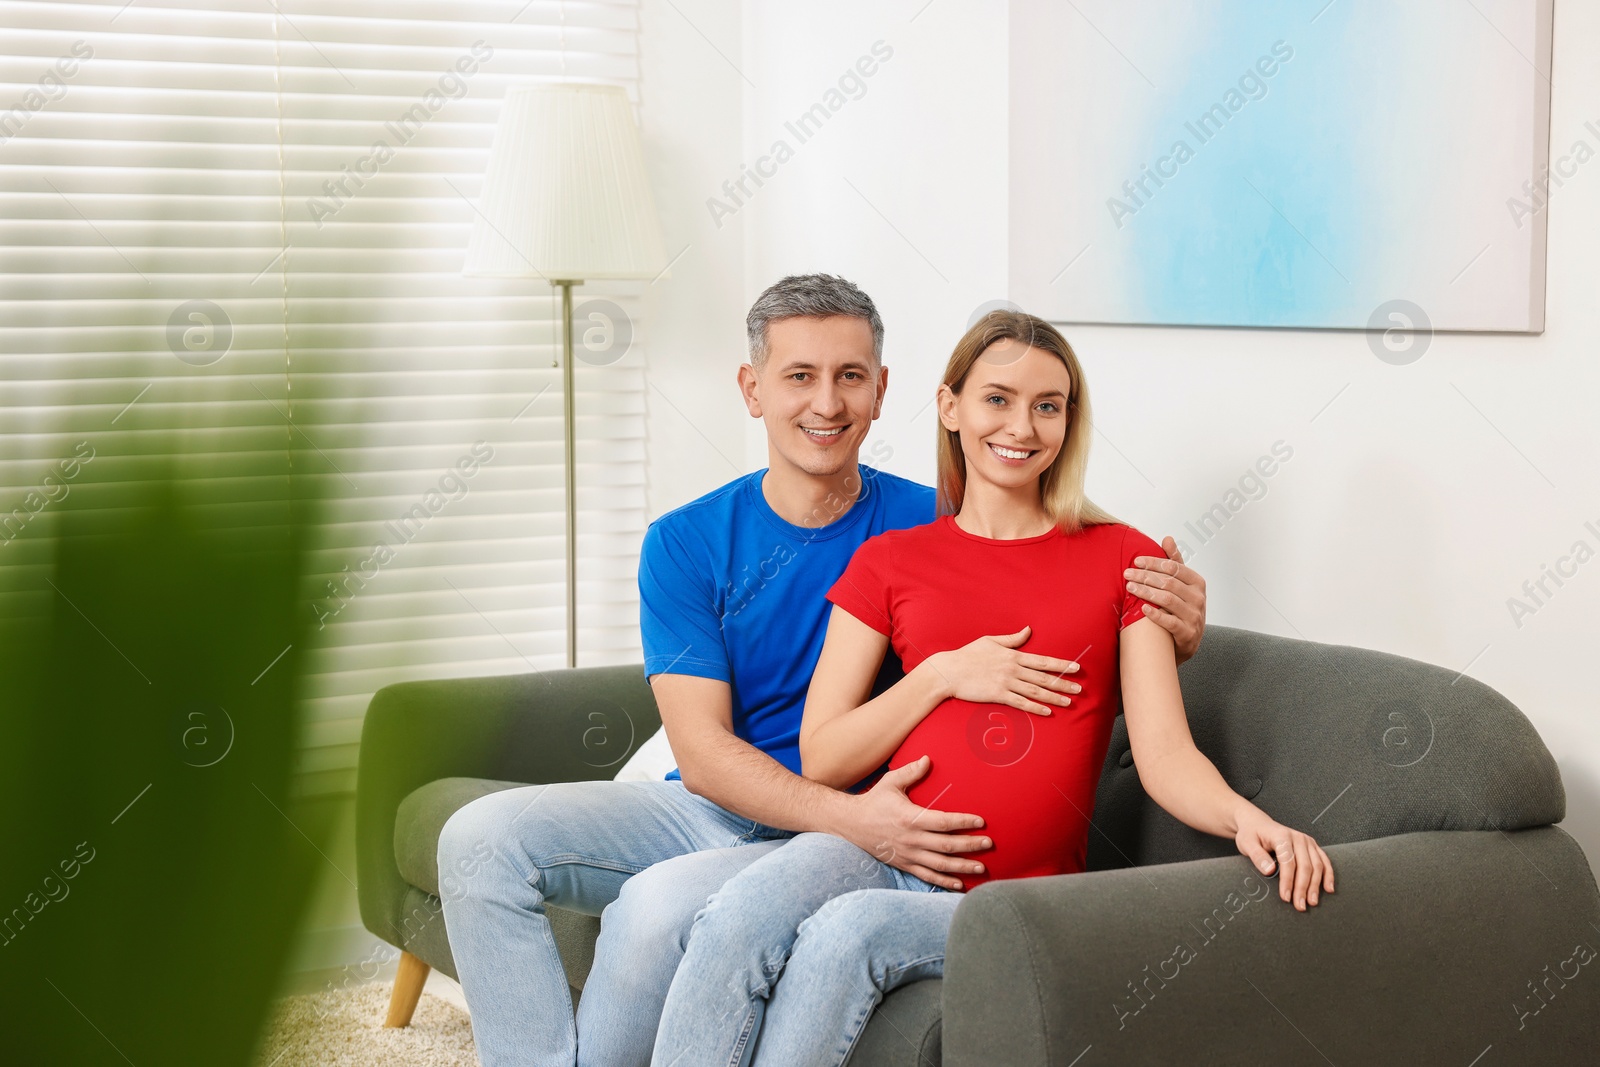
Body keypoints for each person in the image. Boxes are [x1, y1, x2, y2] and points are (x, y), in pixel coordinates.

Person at [437, 277, 1209, 1067]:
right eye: (799, 376)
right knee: (478, 839)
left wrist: (1167, 618)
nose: (828, 404)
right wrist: (857, 812)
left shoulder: (939, 520)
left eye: (850, 376)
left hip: (861, 814)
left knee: (650, 910)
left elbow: (1053, 561)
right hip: (735, 804)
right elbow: (701, 756)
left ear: (882, 392)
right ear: (752, 389)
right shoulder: (685, 541)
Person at [650, 310, 1335, 1067]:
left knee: (844, 937)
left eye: (1048, 404)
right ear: (951, 408)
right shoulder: (889, 561)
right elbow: (823, 756)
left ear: (1070, 421)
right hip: (882, 845)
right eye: (998, 398)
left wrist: (1247, 820)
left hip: (1007, 895)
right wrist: (943, 674)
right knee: (735, 914)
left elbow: (1166, 755)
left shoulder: (1124, 559)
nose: (1023, 425)